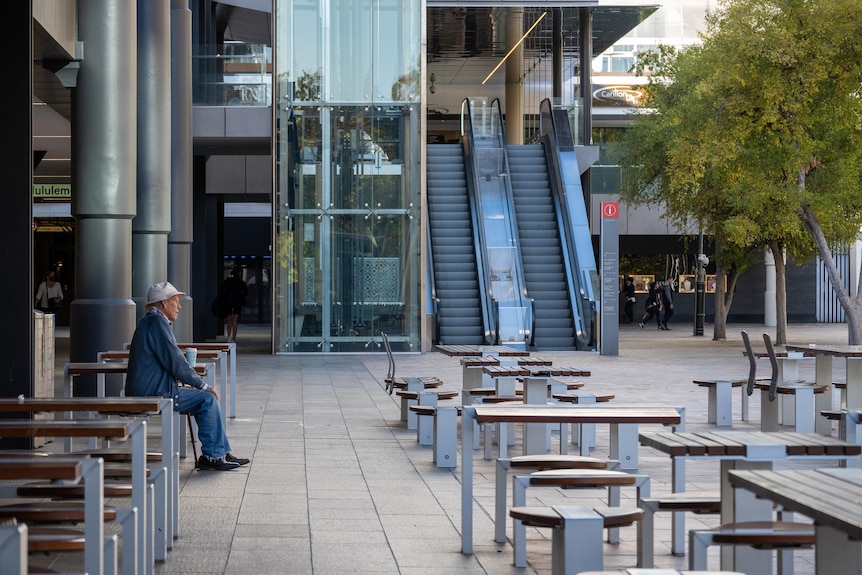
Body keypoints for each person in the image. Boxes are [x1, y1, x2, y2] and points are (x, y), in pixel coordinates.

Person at [126, 281, 250, 471]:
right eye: (176, 301)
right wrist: (202, 385)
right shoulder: (156, 322)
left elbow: (170, 359)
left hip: (152, 388)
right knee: (207, 398)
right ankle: (213, 455)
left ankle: (220, 451)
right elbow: (175, 361)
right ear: (164, 303)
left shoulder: (150, 321)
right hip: (155, 393)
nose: (179, 306)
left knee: (204, 399)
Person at [219, 267, 248, 344]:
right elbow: (245, 293)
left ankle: (229, 337)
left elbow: (221, 290)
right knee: (235, 321)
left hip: (228, 302)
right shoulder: (241, 283)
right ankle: (234, 338)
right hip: (237, 302)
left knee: (229, 320)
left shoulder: (227, 282)